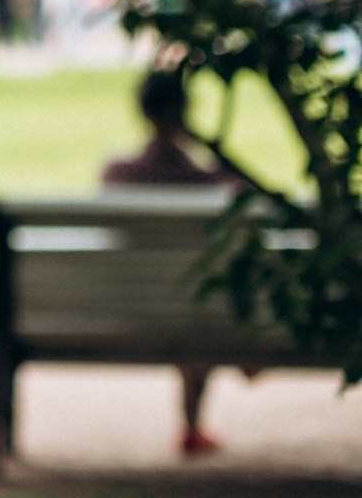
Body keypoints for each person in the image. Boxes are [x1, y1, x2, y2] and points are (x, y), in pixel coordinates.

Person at [99, 65, 240, 457]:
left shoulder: (118, 174)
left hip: (130, 305)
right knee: (198, 303)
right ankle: (193, 425)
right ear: (186, 111)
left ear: (142, 111)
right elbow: (243, 192)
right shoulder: (207, 180)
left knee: (185, 297)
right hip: (193, 307)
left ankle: (193, 427)